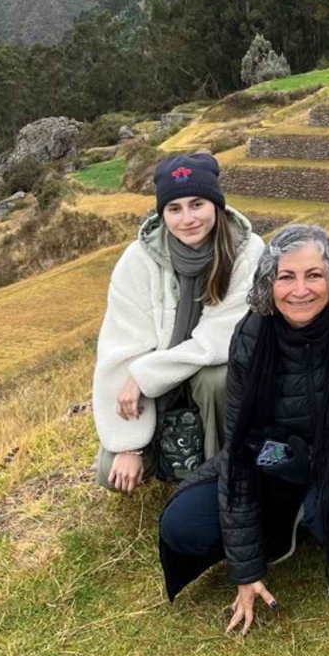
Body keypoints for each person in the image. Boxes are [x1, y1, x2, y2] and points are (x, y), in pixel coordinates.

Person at [157, 225, 329, 625]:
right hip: (279, 457)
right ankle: (282, 525)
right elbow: (242, 447)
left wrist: (323, 458)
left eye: (314, 275)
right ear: (269, 283)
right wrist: (246, 570)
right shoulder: (251, 335)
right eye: (286, 277)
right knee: (184, 524)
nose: (300, 290)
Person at [91, 153, 264, 493]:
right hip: (161, 391)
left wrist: (145, 376)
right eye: (175, 209)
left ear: (216, 205)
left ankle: (222, 471)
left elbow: (220, 338)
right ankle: (168, 454)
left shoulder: (247, 251)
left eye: (197, 204)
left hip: (213, 385)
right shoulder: (137, 261)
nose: (187, 219)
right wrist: (128, 445)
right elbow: (120, 347)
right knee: (109, 473)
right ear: (163, 214)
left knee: (216, 378)